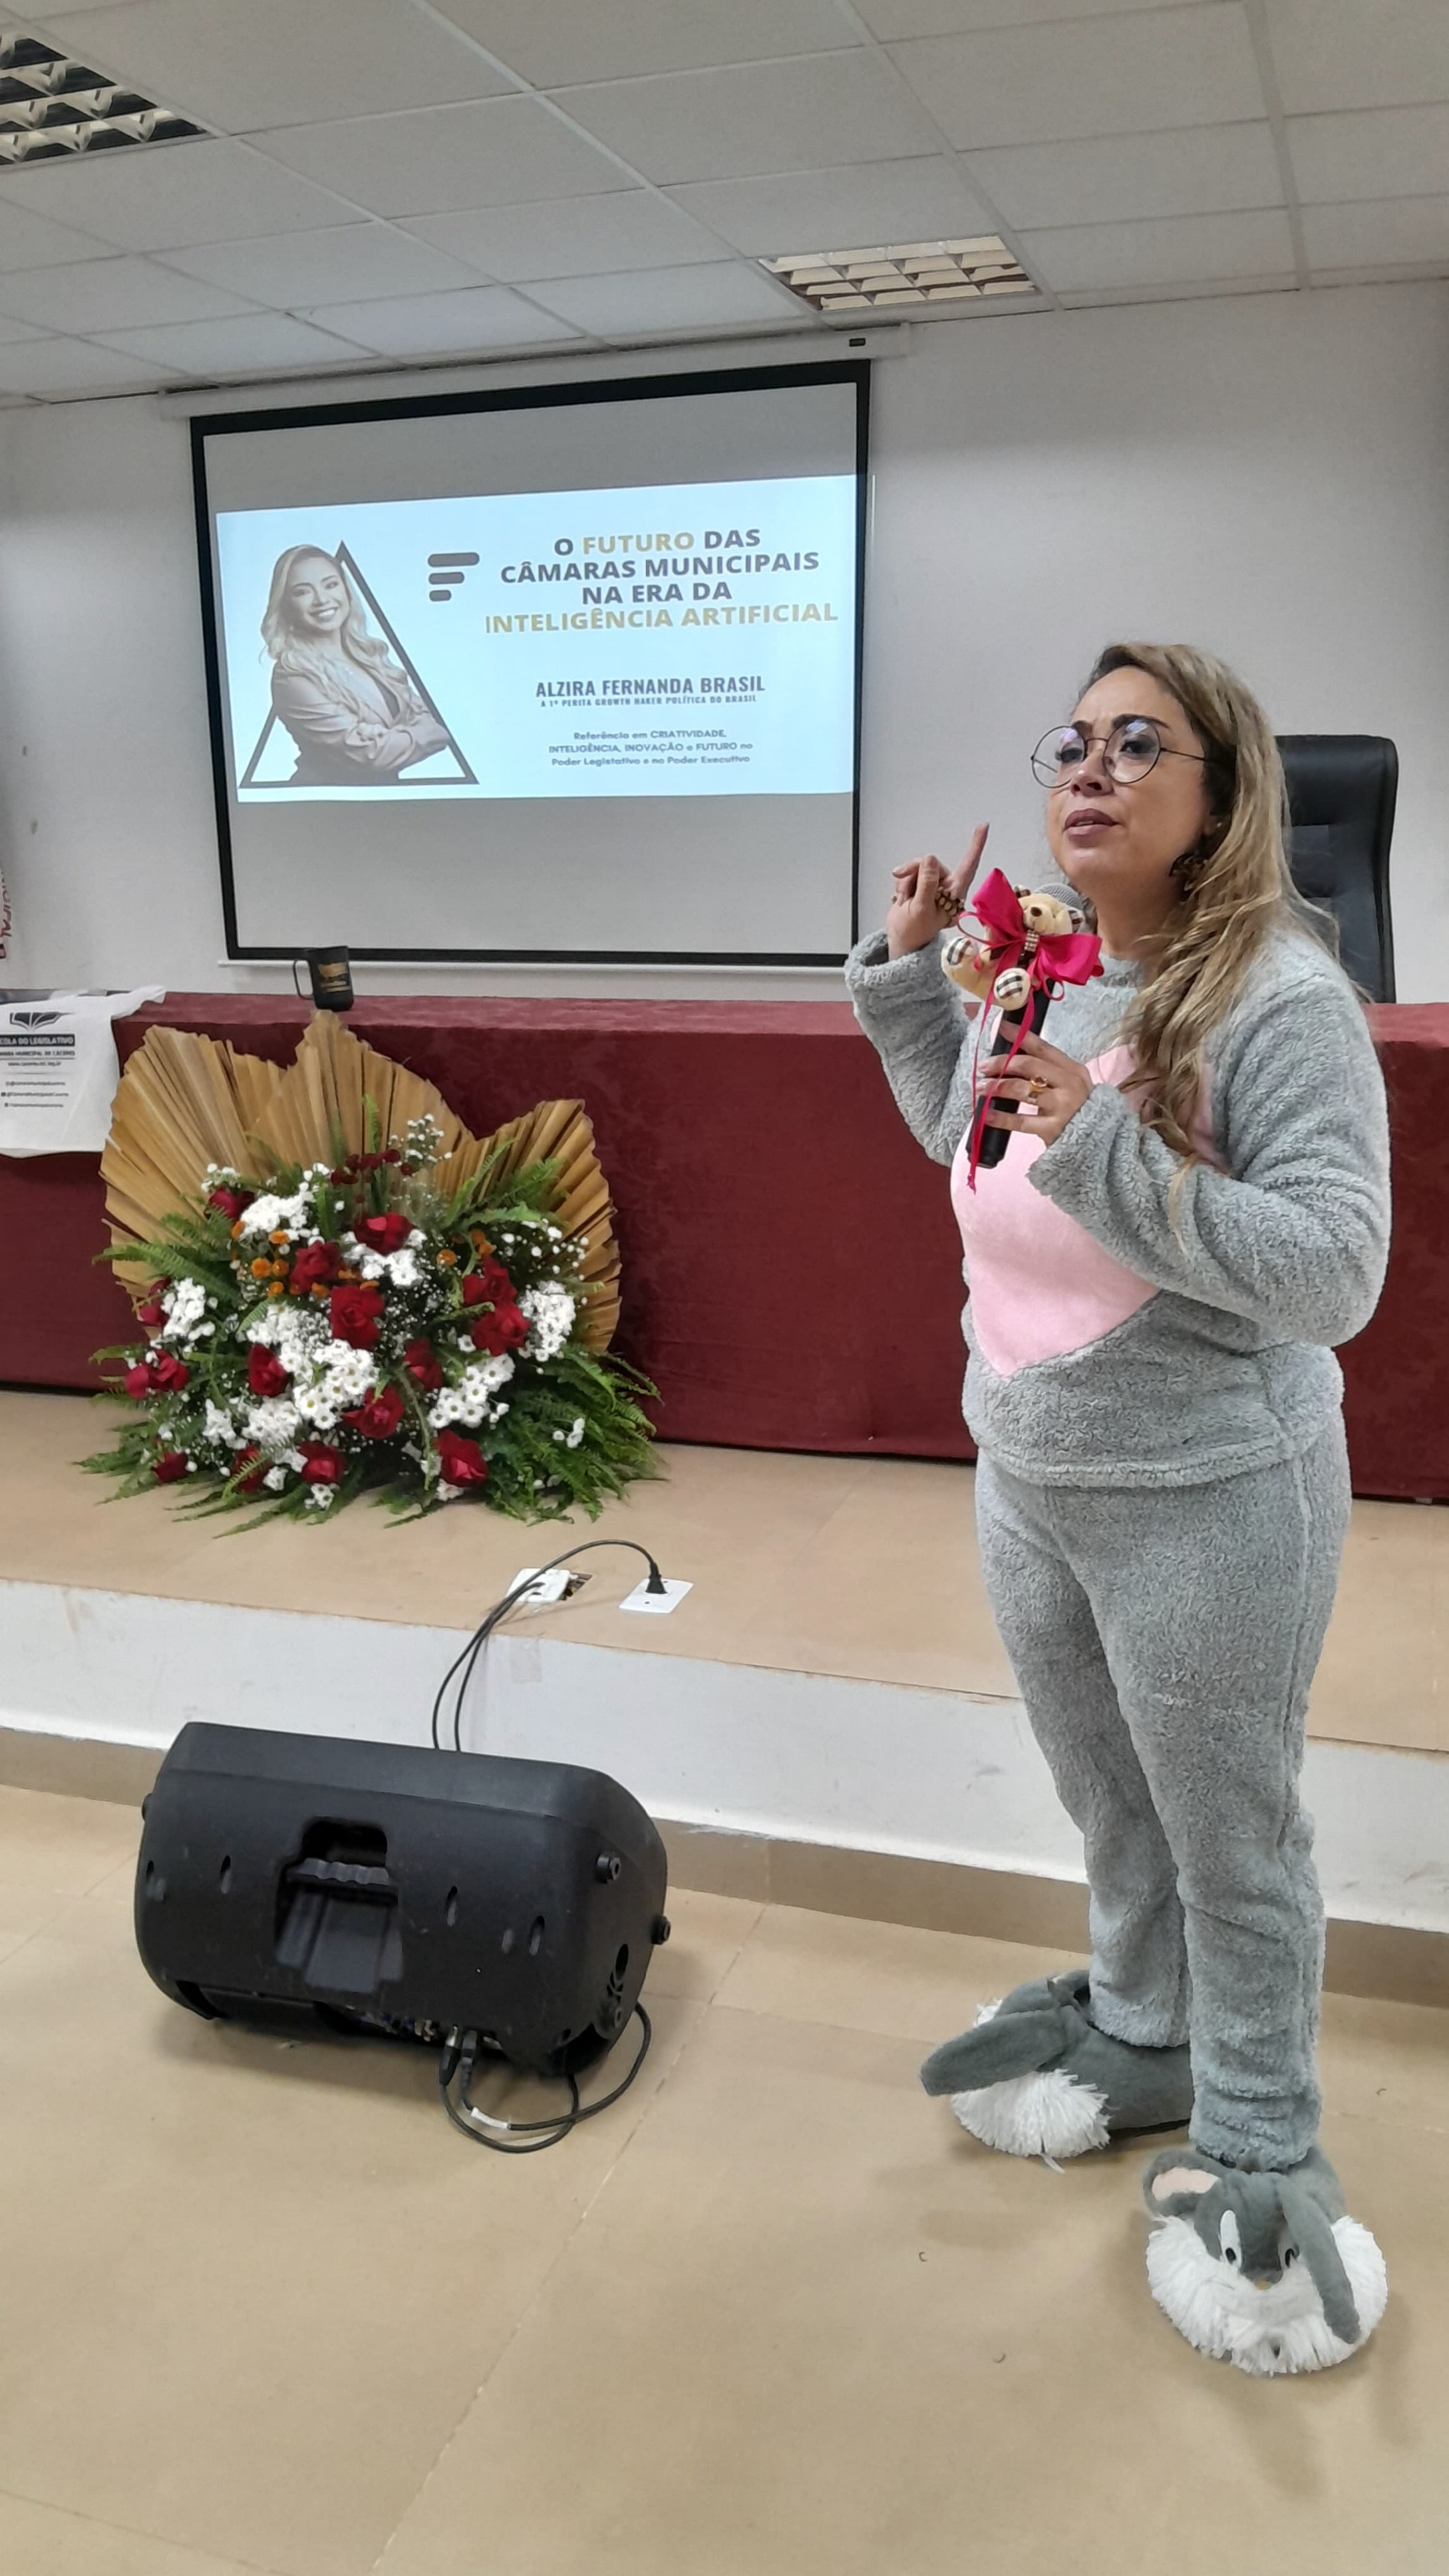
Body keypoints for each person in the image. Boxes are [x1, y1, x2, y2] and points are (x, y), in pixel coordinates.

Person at [846, 643, 1392, 2372]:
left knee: (1234, 1844)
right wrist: (916, 984)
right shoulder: (1043, 965)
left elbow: (1336, 1272)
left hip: (1209, 1493)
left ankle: (1261, 2144)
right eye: (1074, 742)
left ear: (1221, 796)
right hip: (1033, 1473)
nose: (1088, 769)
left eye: (1139, 742)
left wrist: (1102, 1143)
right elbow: (980, 1146)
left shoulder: (1277, 999)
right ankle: (1146, 2032)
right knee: (1113, 1810)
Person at [260, 545, 448, 786]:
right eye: (303, 592)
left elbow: (428, 716)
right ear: (286, 605)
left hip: (387, 800)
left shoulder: (368, 655)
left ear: (347, 590)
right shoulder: (292, 676)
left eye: (331, 585)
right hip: (326, 804)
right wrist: (428, 734)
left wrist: (391, 737)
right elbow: (370, 754)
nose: (322, 600)